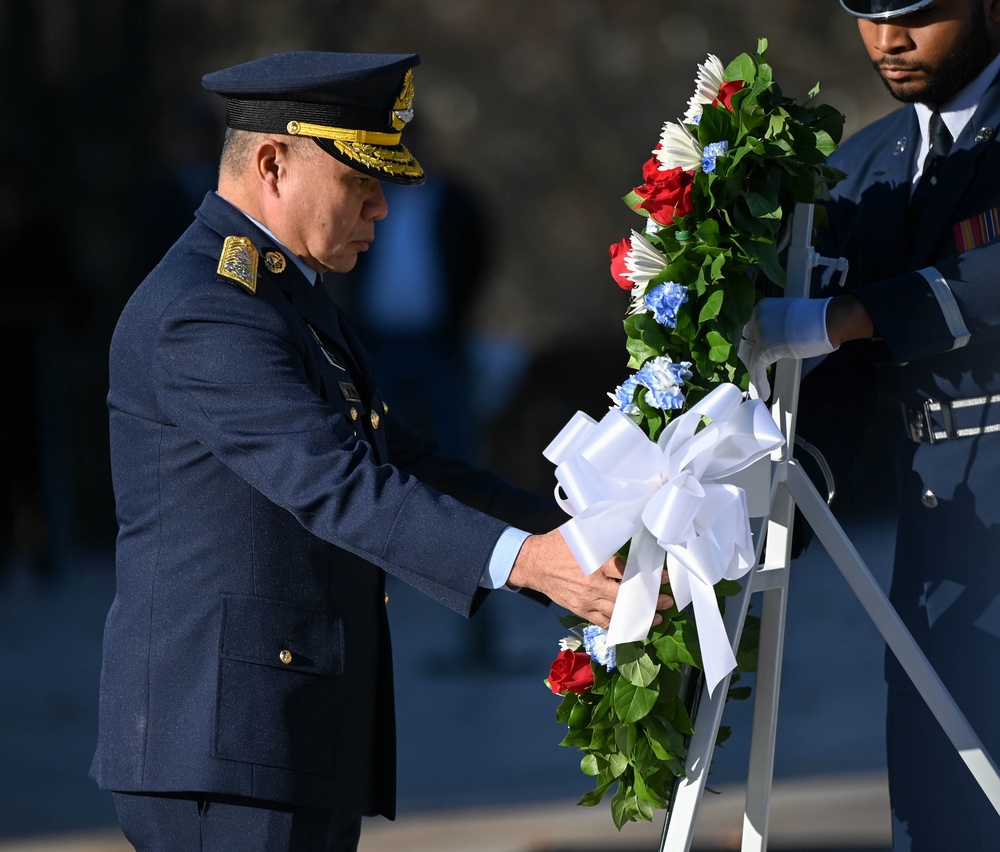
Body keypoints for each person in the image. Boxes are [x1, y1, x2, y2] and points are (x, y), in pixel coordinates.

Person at [89, 51, 673, 852]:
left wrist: (578, 538)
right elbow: (337, 483)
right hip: (221, 749)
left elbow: (400, 460)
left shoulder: (281, 294)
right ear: (271, 164)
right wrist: (531, 561)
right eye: (360, 181)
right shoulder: (209, 311)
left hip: (277, 737)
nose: (381, 208)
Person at [740, 1, 1000, 848]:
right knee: (945, 802)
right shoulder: (866, 165)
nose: (890, 39)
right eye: (872, 15)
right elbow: (846, 382)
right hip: (946, 535)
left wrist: (846, 313)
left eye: (920, 13)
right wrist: (779, 496)